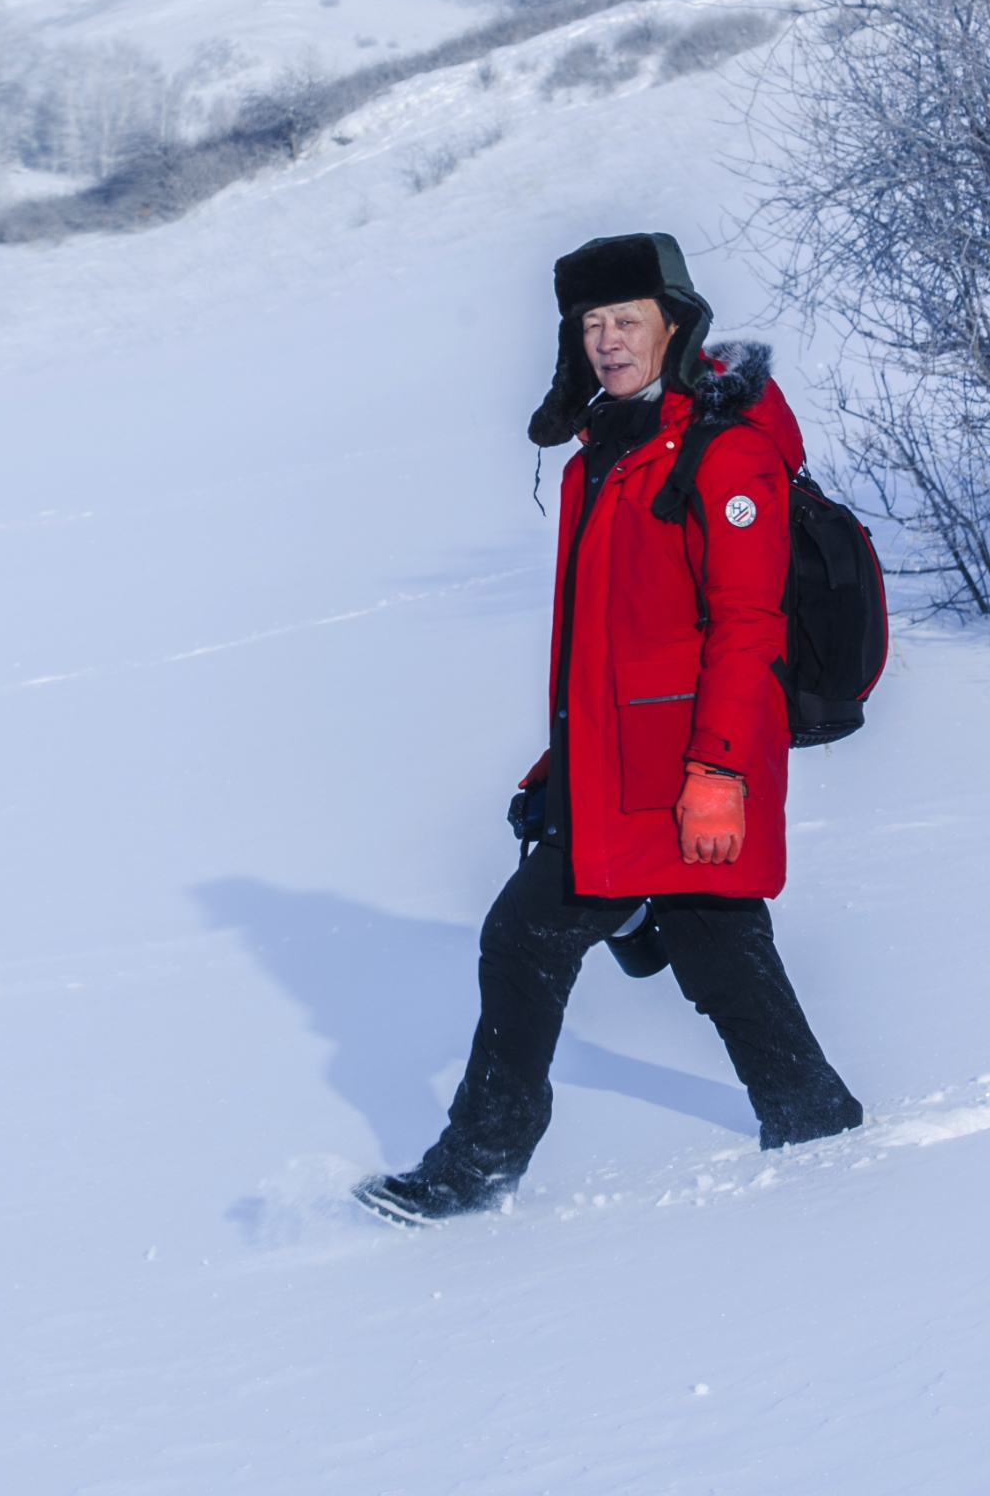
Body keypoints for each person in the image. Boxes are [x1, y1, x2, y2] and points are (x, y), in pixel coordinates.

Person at [357, 233, 863, 1226]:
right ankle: (814, 1117)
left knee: (521, 938)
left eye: (624, 318)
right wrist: (558, 761)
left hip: (682, 770)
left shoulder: (724, 453)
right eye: (588, 324)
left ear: (675, 322)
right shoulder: (606, 452)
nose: (604, 340)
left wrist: (718, 771)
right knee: (719, 951)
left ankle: (480, 1158)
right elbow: (605, 641)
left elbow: (747, 626)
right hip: (621, 763)